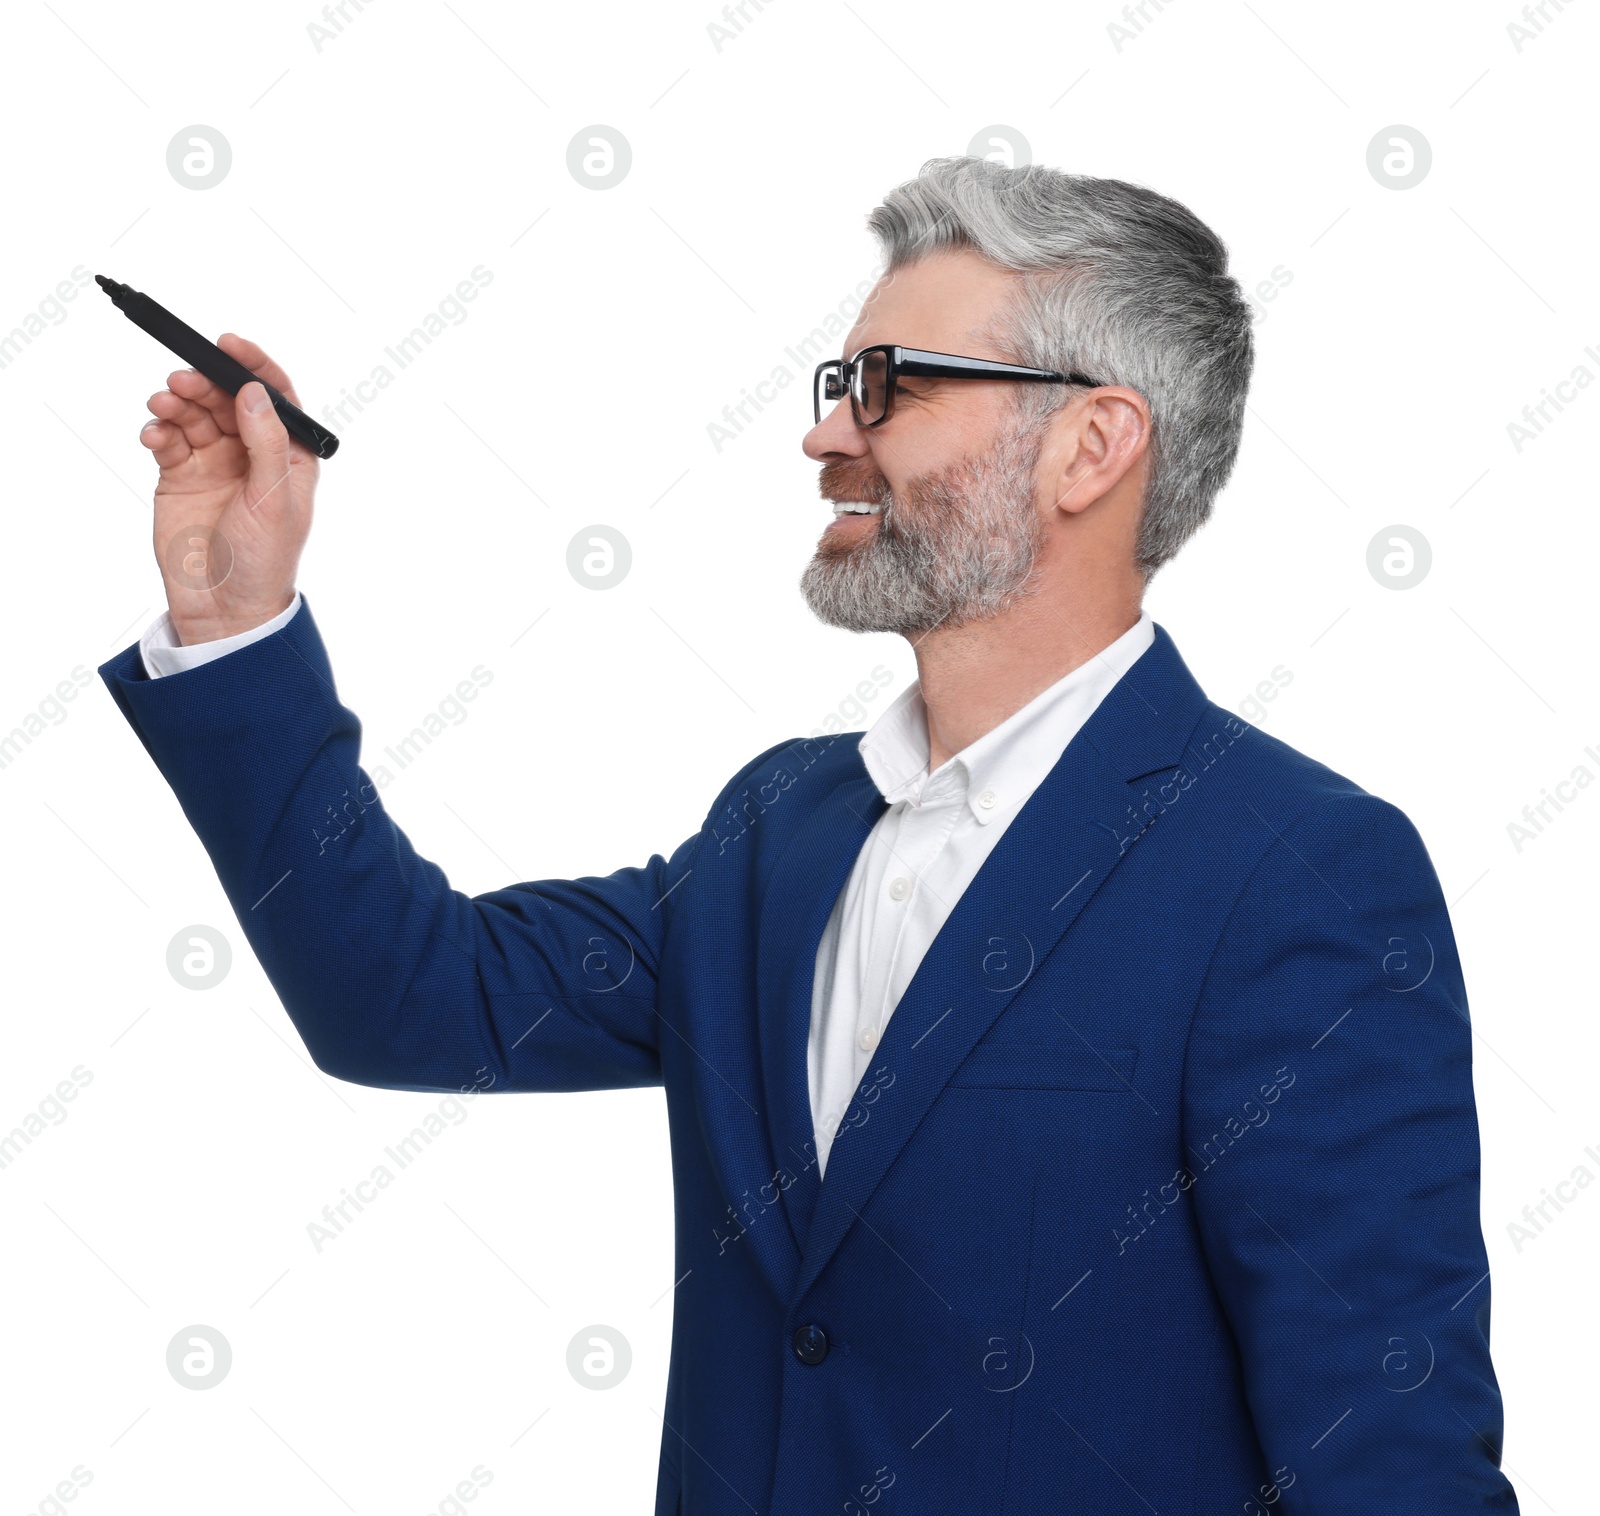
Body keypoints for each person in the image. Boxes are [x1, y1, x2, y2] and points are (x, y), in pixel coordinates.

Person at [99, 157, 1518, 1513]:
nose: (827, 432)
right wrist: (235, 618)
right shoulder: (778, 828)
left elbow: (1387, 1456)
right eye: (843, 381)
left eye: (890, 387)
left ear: (1092, 445)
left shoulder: (1296, 875)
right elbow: (402, 999)